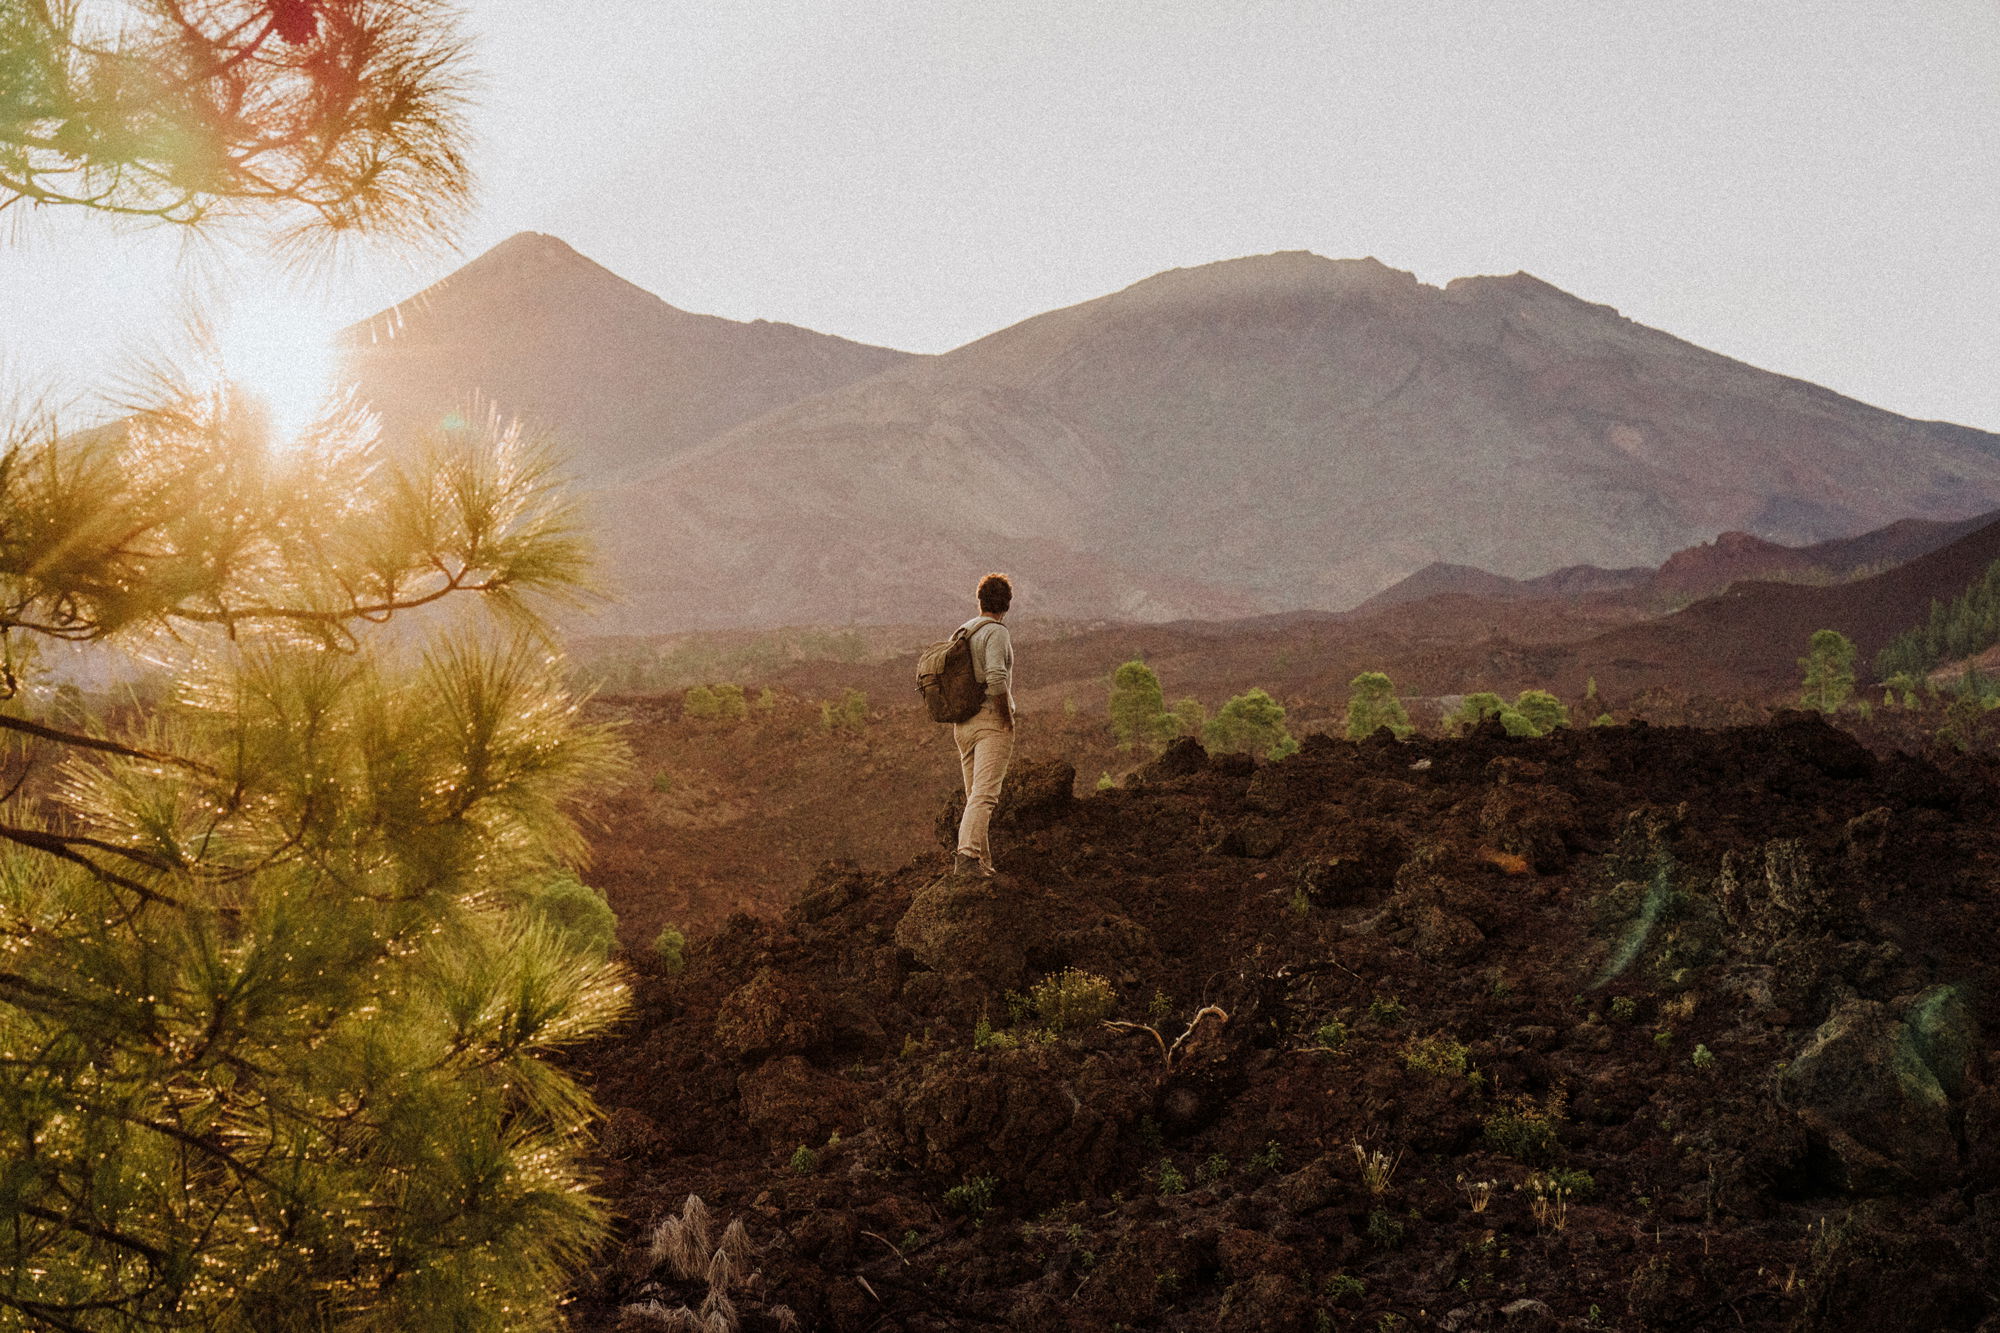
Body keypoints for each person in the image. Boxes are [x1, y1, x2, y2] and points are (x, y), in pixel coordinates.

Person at [953, 573, 1016, 877]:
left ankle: (981, 864)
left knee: (975, 797)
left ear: (980, 601)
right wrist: (1006, 718)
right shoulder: (996, 632)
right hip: (989, 722)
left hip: (962, 725)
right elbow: (996, 677)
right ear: (1007, 604)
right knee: (985, 796)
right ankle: (966, 858)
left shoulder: (963, 631)